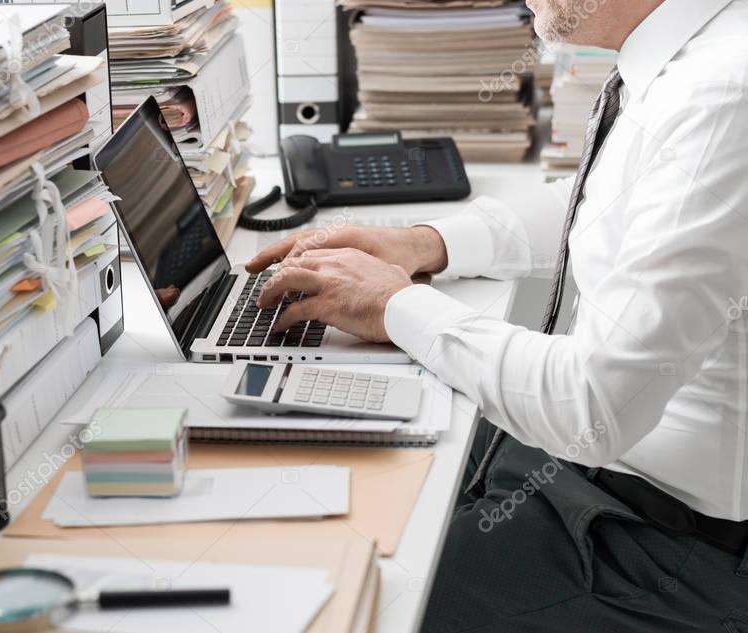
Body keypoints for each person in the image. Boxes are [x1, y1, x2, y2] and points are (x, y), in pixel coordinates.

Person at [248, 0, 748, 630]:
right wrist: (427, 243)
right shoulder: (687, 59)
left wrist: (392, 304)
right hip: (590, 478)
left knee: (348, 607)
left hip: (661, 547)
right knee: (326, 491)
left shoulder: (725, 95)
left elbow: (595, 410)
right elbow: (614, 202)